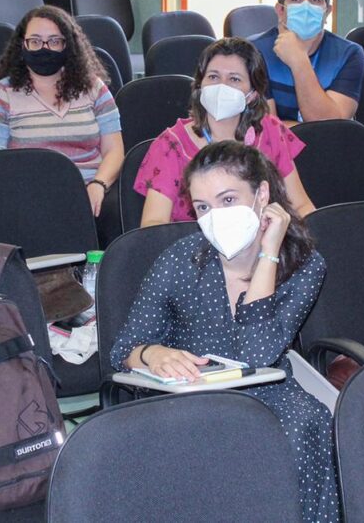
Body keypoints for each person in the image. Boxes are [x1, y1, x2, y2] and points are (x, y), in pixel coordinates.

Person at [112, 141, 338, 522]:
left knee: (305, 426)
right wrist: (153, 353)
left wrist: (268, 253)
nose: (215, 217)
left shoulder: (304, 264)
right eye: (203, 207)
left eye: (228, 200)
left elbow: (257, 354)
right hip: (191, 394)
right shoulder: (180, 260)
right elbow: (123, 349)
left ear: (262, 195)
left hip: (270, 391)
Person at [251, 0, 364, 203]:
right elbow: (266, 131)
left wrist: (299, 60)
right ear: (280, 10)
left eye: (315, 0)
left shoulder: (349, 54)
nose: (306, 7)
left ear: (327, 10)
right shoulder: (255, 52)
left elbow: (330, 125)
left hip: (335, 154)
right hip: (277, 160)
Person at [0, 5, 124, 238]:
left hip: (91, 187)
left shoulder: (94, 88)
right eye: (35, 41)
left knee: (118, 212)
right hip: (28, 192)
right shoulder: (1, 93)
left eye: (54, 41)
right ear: (22, 45)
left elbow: (114, 150)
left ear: (68, 45)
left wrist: (99, 185)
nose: (44, 48)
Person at [135, 37, 315, 226]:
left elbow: (301, 206)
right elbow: (153, 223)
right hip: (195, 242)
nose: (222, 86)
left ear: (252, 95)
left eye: (234, 79)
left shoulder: (270, 130)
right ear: (200, 85)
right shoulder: (171, 145)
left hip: (266, 240)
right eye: (213, 77)